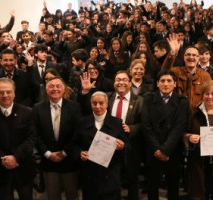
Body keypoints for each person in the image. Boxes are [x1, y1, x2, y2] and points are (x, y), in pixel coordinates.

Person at [0, 77, 37, 200]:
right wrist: (2, 158)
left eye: (8, 92)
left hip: (23, 167)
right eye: (1, 92)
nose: (5, 95)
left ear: (14, 93)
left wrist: (15, 157)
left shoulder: (27, 112)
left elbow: (31, 138)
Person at [70, 91, 127, 200]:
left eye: (101, 103)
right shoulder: (82, 122)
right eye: (94, 103)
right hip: (89, 176)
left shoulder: (117, 123)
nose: (98, 106)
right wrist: (79, 153)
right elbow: (73, 145)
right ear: (90, 104)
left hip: (110, 175)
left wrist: (122, 146)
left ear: (107, 104)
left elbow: (128, 146)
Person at [142, 70, 189, 200]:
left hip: (172, 151)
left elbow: (179, 128)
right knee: (152, 186)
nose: (166, 84)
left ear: (175, 84)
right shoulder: (148, 99)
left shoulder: (182, 101)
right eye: (162, 81)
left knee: (173, 187)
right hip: (153, 150)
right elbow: (146, 126)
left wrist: (165, 150)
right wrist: (157, 149)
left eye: (169, 81)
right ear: (157, 83)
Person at [33, 77, 81, 200]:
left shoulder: (74, 107)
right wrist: (48, 154)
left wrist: (64, 153)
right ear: (46, 89)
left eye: (58, 86)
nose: (55, 89)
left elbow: (77, 133)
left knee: (72, 194)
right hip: (48, 161)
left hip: (69, 160)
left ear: (64, 89)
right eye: (51, 86)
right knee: (52, 195)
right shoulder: (37, 108)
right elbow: (35, 134)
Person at [107, 71, 144, 200]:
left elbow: (145, 124)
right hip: (110, 145)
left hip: (131, 146)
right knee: (113, 179)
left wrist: (132, 128)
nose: (121, 82)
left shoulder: (140, 101)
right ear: (114, 83)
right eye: (118, 80)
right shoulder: (108, 98)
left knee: (132, 179)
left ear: (130, 83)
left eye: (124, 79)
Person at [163, 33, 212, 112]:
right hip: (177, 114)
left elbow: (209, 95)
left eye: (194, 55)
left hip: (197, 115)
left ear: (199, 58)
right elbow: (164, 73)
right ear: (184, 57)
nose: (191, 57)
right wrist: (172, 53)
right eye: (188, 55)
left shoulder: (205, 76)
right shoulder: (176, 71)